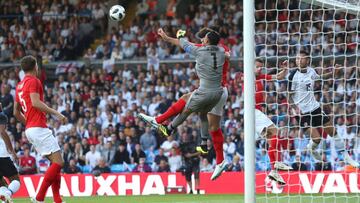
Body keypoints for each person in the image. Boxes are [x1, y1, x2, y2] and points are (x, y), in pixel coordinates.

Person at [139, 27, 228, 180]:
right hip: (220, 90)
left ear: (208, 40)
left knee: (187, 108)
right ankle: (218, 159)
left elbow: (185, 44)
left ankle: (164, 125)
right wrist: (168, 38)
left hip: (208, 90)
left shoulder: (203, 50)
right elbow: (225, 55)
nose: (200, 41)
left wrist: (170, 38)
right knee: (210, 124)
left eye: (202, 38)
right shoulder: (221, 50)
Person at [288, 51, 359, 168]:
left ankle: (347, 157)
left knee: (333, 132)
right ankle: (312, 149)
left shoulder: (311, 71)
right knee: (317, 139)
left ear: (307, 60)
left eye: (301, 58)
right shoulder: (293, 76)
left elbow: (321, 77)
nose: (298, 60)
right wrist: (295, 109)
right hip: (302, 113)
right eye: (297, 58)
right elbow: (289, 95)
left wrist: (333, 73)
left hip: (315, 108)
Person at [14, 55, 66, 203]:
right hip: (38, 127)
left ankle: (57, 199)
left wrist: (28, 122)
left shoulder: (19, 85)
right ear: (35, 66)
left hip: (30, 129)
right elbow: (36, 103)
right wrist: (56, 113)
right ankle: (39, 197)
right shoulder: (34, 81)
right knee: (59, 163)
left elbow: (15, 112)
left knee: (54, 163)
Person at [0, 111, 20, 202]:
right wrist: (12, 152)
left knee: (1, 184)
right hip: (2, 155)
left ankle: (5, 198)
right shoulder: (1, 115)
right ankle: (8, 194)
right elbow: (2, 132)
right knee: (16, 180)